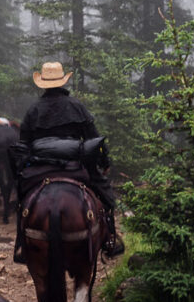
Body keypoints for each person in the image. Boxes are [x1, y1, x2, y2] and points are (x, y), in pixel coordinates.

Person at [13, 61, 124, 261]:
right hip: (75, 164)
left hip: (40, 166)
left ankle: (21, 243)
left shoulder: (33, 110)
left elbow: (24, 144)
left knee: (22, 199)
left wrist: (23, 167)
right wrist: (104, 162)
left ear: (43, 83)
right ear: (63, 82)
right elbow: (94, 137)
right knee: (106, 195)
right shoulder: (76, 106)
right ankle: (111, 240)